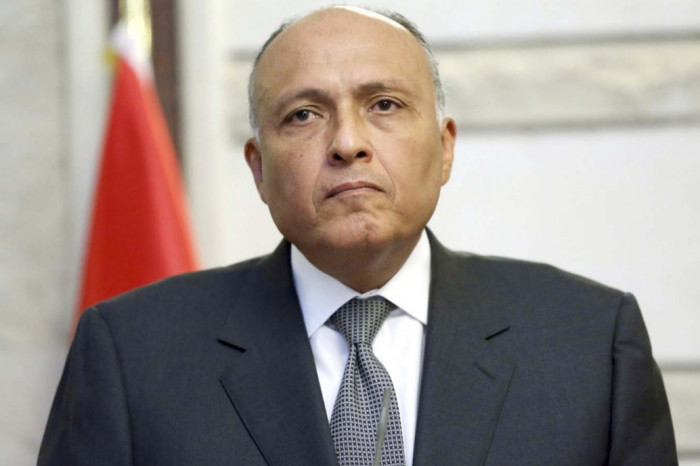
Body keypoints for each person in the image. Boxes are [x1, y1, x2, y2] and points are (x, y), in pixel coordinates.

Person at [39, 6, 677, 465]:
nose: (347, 143)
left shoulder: (590, 344)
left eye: (384, 105)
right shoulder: (131, 355)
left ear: (445, 148)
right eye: (304, 115)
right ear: (259, 170)